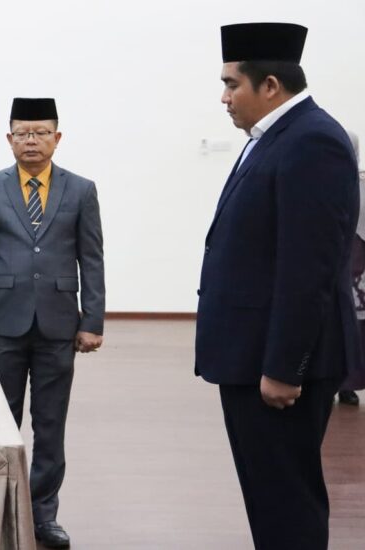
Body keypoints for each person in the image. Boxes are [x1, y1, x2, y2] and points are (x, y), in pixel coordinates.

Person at [195, 23, 360, 549]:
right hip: (250, 356)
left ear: (270, 85)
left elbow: (308, 268)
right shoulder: (274, 138)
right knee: (269, 500)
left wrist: (285, 367)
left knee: (287, 503)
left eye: (231, 84)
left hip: (277, 365)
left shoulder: (312, 141)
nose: (224, 98)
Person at [0, 97, 105, 549]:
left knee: (50, 423)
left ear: (57, 138)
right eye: (23, 133)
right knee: (1, 421)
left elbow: (92, 258)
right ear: (9, 139)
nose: (32, 140)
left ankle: (44, 515)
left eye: (41, 132)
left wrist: (92, 319)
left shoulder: (81, 190)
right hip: (4, 321)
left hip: (59, 324)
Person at [339, 130, 365, 405]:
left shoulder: (361, 181)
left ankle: (349, 383)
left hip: (359, 260)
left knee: (357, 325)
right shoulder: (323, 177)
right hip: (334, 258)